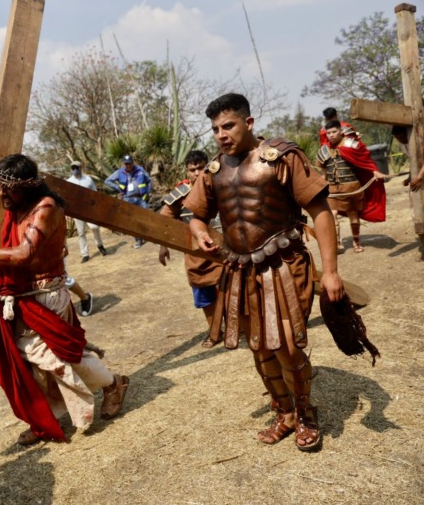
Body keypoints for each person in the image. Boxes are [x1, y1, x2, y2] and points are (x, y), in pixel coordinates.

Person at [184, 93, 346, 452]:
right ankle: (284, 412)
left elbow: (320, 211)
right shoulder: (212, 171)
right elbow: (196, 215)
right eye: (215, 129)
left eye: (228, 125)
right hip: (240, 271)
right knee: (259, 345)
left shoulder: (282, 157)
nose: (221, 134)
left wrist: (331, 272)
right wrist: (199, 232)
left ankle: (305, 412)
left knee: (287, 345)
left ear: (249, 122)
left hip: (284, 265)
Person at [0, 154, 129, 446]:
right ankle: (43, 420)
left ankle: (114, 384)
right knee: (33, 364)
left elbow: (23, 254)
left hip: (47, 295)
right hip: (19, 296)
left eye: (9, 188)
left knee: (62, 356)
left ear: (28, 186)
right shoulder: (13, 209)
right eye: (0, 187)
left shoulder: (45, 208)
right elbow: (0, 251)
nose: (2, 194)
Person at [157, 151, 223, 348]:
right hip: (196, 256)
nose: (196, 173)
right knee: (205, 297)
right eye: (192, 169)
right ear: (187, 171)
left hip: (225, 250)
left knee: (233, 291)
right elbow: (163, 220)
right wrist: (163, 246)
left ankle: (241, 327)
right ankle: (214, 333)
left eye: (200, 168)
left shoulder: (221, 185)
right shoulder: (181, 193)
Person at [316, 120, 387, 253]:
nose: (331, 135)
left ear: (340, 131)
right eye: (328, 133)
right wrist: (321, 184)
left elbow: (365, 161)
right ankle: (337, 243)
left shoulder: (351, 145)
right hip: (333, 188)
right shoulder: (324, 149)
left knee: (353, 216)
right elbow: (324, 171)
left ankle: (356, 242)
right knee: (332, 216)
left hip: (352, 187)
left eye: (334, 132)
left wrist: (375, 171)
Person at [392, 125, 424, 260]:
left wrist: (420, 177)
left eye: (403, 137)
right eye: (398, 139)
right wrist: (411, 177)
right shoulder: (404, 143)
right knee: (417, 214)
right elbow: (415, 160)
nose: (402, 140)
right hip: (419, 177)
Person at [105, 154, 152, 248]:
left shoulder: (140, 170)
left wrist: (148, 191)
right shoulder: (119, 172)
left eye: (129, 163)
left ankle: (152, 237)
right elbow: (107, 181)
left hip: (140, 198)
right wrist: (118, 188)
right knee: (133, 221)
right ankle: (138, 240)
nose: (128, 166)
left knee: (147, 217)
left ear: (132, 163)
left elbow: (149, 180)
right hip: (128, 199)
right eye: (126, 164)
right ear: (124, 164)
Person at [66, 161, 107, 262]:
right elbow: (67, 197)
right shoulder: (69, 181)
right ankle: (85, 254)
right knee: (81, 233)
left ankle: (100, 245)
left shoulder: (87, 179)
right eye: (73, 168)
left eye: (77, 167)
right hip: (77, 210)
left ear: (81, 168)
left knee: (95, 227)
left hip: (89, 209)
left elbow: (95, 192)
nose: (75, 169)